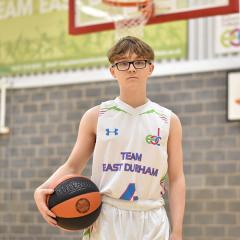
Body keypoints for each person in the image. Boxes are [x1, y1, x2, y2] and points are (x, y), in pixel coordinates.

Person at [34, 36, 185, 240]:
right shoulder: (96, 116)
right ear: (113, 71)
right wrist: (43, 189)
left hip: (152, 219)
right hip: (107, 217)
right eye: (123, 63)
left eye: (139, 62)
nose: (131, 68)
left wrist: (177, 231)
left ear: (150, 68)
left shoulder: (169, 120)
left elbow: (176, 179)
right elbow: (72, 166)